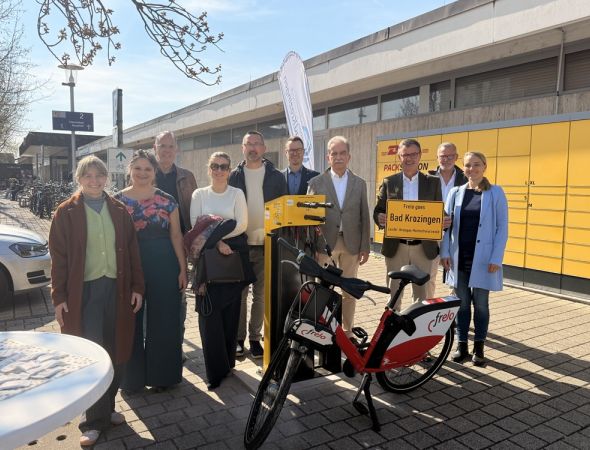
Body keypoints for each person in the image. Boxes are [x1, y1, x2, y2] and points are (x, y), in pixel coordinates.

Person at [48, 156, 144, 447]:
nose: (94, 181)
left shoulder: (119, 210)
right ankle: (92, 422)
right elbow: (59, 260)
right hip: (84, 294)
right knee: (92, 355)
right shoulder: (65, 212)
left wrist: (137, 287)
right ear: (79, 179)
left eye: (99, 175)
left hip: (117, 290)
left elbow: (132, 252)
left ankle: (107, 408)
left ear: (106, 178)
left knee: (117, 350)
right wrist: (59, 297)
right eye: (88, 175)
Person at [115, 150, 187, 393]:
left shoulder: (167, 200)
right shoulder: (116, 201)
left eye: (147, 169)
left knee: (165, 320)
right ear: (130, 170)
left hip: (164, 265)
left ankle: (163, 377)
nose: (142, 173)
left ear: (154, 172)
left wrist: (182, 269)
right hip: (129, 267)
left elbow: (176, 236)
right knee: (130, 321)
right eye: (138, 168)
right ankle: (131, 379)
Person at [189, 152, 253, 389]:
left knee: (230, 314)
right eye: (215, 166)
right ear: (209, 169)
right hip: (208, 262)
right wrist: (218, 243)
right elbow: (196, 226)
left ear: (229, 170)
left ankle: (227, 365)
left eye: (223, 167)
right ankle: (214, 372)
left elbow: (242, 224)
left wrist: (216, 235)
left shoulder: (237, 193)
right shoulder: (199, 194)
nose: (219, 170)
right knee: (209, 316)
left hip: (232, 260)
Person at [440, 151, 508, 366]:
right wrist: (444, 252)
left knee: (481, 305)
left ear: (484, 166)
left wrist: (496, 257)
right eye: (468, 165)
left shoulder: (496, 193)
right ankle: (462, 345)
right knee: (461, 305)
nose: (472, 169)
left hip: (484, 260)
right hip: (458, 258)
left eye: (476, 164)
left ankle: (479, 347)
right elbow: (445, 227)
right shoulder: (455, 193)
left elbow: (502, 228)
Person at [228, 131, 287, 358]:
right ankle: (238, 338)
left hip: (267, 245)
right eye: (248, 144)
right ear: (242, 148)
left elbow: (284, 210)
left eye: (256, 144)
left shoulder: (276, 176)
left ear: (264, 148)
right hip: (240, 245)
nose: (252, 148)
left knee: (261, 295)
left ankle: (255, 338)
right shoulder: (233, 176)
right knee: (240, 294)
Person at [373, 138, 448, 311]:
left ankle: (418, 328)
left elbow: (438, 210)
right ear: (399, 157)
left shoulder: (433, 182)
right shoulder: (389, 182)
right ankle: (392, 326)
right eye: (405, 155)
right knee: (394, 295)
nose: (409, 158)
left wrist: (444, 220)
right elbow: (378, 210)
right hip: (396, 247)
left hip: (424, 247)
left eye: (413, 154)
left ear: (420, 155)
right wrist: (380, 218)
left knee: (422, 297)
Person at [307, 135, 370, 338]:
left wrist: (365, 246)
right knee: (323, 290)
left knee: (349, 290)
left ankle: (347, 331)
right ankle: (323, 330)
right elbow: (310, 219)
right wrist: (313, 247)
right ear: (328, 157)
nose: (338, 157)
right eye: (334, 153)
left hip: (351, 244)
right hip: (325, 245)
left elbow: (364, 215)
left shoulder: (359, 183)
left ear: (349, 156)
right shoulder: (316, 183)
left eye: (343, 153)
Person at [153, 130, 197, 362]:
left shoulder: (187, 177)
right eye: (162, 146)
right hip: (151, 247)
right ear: (155, 148)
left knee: (179, 298)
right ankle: (155, 346)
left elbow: (194, 213)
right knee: (154, 299)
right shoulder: (145, 173)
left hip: (179, 245)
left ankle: (176, 346)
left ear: (176, 149)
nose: (167, 150)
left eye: (171, 146)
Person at [428, 142, 468, 295]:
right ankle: (427, 305)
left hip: (456, 233)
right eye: (443, 156)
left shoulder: (466, 179)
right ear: (437, 157)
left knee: (456, 276)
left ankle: (454, 305)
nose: (446, 159)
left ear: (456, 157)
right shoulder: (427, 178)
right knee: (428, 275)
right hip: (431, 233)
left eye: (450, 156)